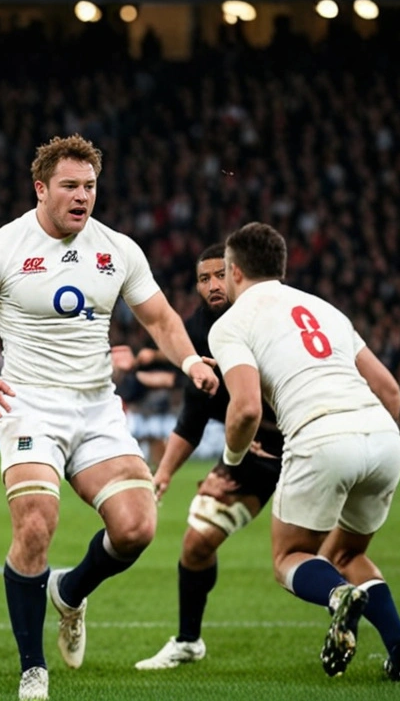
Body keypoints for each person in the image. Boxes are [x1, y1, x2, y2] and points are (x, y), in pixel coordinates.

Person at [0, 135, 220, 700]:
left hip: (96, 404)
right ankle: (32, 667)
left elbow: (162, 318)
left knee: (137, 527)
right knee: (37, 522)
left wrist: (190, 360)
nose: (82, 196)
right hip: (27, 404)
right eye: (70, 185)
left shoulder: (117, 249)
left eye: (90, 186)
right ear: (40, 188)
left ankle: (69, 593)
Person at [208, 222, 400, 681]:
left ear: (234, 272)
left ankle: (338, 597)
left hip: (320, 435)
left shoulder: (231, 324)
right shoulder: (325, 309)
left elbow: (244, 409)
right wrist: (372, 441)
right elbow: (390, 390)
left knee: (292, 558)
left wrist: (230, 466)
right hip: (382, 435)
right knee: (346, 553)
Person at [112, 243, 285, 671]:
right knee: (197, 541)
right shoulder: (197, 333)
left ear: (238, 274)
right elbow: (193, 416)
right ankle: (189, 640)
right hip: (251, 454)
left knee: (326, 555)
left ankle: (391, 639)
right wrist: (163, 474)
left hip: (305, 446)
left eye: (219, 275)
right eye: (203, 278)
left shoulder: (272, 316)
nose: (212, 285)